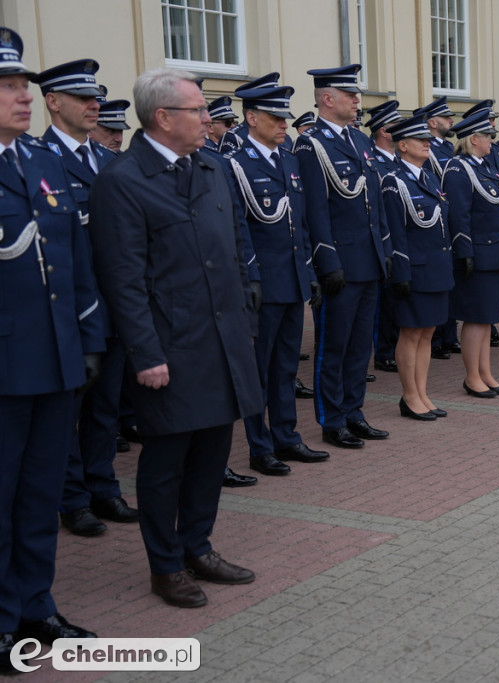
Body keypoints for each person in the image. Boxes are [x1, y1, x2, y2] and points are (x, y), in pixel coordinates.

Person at [90, 67, 263, 608]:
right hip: (170, 344)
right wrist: (145, 353)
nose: (208, 119)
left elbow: (234, 243)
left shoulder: (210, 166)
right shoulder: (122, 181)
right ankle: (166, 566)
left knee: (213, 451)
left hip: (222, 337)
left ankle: (198, 546)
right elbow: (123, 278)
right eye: (198, 110)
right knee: (167, 459)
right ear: (163, 117)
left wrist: (244, 313)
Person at [0, 28, 103, 666]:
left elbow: (76, 261)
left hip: (57, 359)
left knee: (39, 495)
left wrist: (88, 337)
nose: (22, 97)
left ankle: (36, 605)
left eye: (21, 86)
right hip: (5, 367)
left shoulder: (38, 162)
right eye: (8, 88)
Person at [32, 59, 138, 537]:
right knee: (70, 410)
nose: (94, 105)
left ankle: (103, 487)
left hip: (114, 304)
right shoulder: (38, 159)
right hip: (71, 309)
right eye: (82, 98)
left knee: (106, 407)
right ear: (53, 102)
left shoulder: (110, 160)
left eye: (95, 97)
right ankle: (71, 498)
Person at [223, 83, 329, 477]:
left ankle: (287, 436)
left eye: (286, 117)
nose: (284, 124)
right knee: (259, 369)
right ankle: (259, 445)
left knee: (285, 367)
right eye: (276, 117)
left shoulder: (288, 160)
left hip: (293, 278)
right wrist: (251, 276)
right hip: (263, 283)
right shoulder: (235, 163)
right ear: (252, 119)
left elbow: (298, 224)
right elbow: (239, 229)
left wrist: (310, 270)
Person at [293, 64, 392, 449]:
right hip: (339, 263)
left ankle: (354, 411)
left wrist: (384, 251)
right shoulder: (311, 144)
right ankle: (331, 420)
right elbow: (314, 210)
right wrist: (326, 261)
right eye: (350, 95)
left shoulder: (360, 141)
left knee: (359, 346)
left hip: (367, 259)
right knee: (333, 346)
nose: (357, 101)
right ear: (327, 98)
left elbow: (375, 205)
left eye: (357, 95)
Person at [381, 114, 453, 419]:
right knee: (410, 334)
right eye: (419, 139)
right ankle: (409, 396)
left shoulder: (429, 178)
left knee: (427, 333)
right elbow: (395, 231)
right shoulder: (393, 181)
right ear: (402, 145)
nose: (427, 143)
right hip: (414, 269)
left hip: (436, 267)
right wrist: (400, 272)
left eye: (427, 138)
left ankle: (422, 392)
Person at [444, 108, 499, 398]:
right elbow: (458, 215)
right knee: (475, 318)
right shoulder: (458, 168)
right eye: (488, 135)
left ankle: (485, 372)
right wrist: (465, 252)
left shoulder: (485, 167)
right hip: (478, 254)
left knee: (488, 318)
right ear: (474, 139)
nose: (492, 140)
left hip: (495, 253)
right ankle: (472, 376)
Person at [415, 96, 460, 359]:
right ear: (432, 122)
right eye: (446, 118)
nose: (451, 121)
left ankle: (449, 335)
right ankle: (436, 339)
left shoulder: (448, 148)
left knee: (449, 282)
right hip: (434, 220)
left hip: (448, 218)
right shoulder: (429, 150)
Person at [365, 101, 403, 376]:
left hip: (406, 236)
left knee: (398, 299)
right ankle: (383, 352)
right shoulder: (372, 161)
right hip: (384, 235)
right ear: (383, 132)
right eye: (395, 126)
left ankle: (396, 347)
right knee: (384, 302)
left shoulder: (401, 161)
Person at [219, 73, 293, 154]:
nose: (285, 126)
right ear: (252, 118)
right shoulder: (234, 137)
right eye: (275, 118)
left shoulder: (286, 139)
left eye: (284, 118)